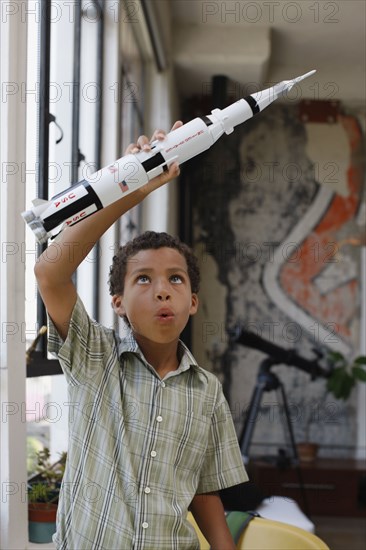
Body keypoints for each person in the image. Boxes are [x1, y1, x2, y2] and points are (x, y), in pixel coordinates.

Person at [35, 123, 248, 550]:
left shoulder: (206, 391)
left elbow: (205, 491)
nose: (162, 289)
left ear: (192, 302)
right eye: (144, 280)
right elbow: (50, 272)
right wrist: (131, 190)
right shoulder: (94, 356)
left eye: (175, 279)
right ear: (118, 302)